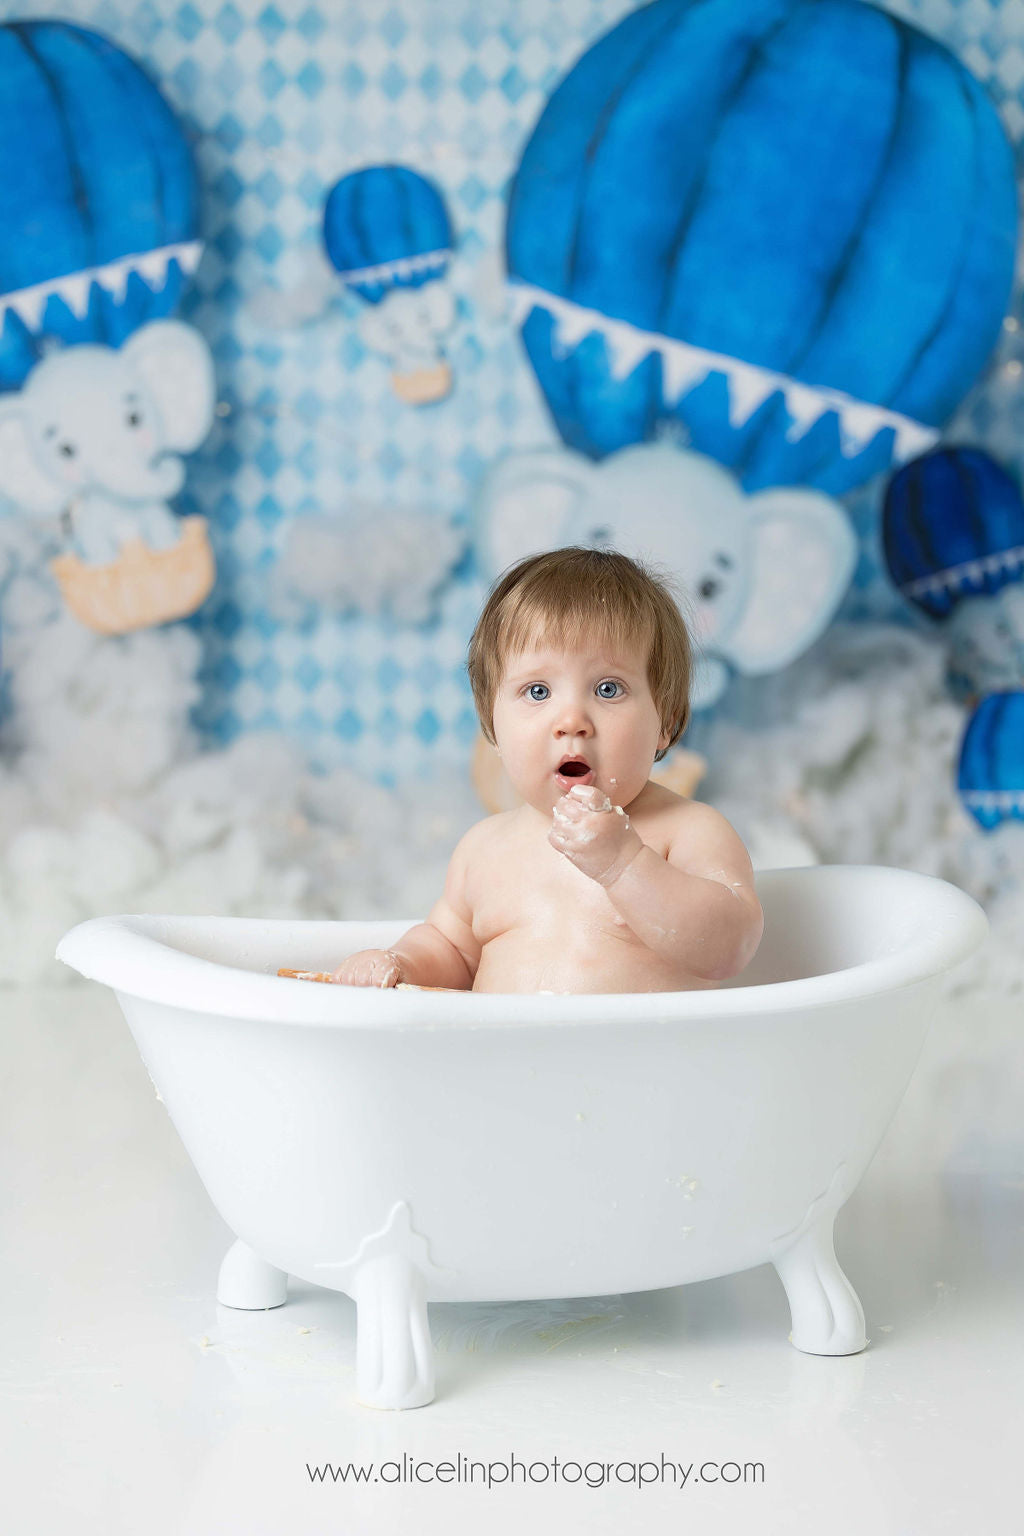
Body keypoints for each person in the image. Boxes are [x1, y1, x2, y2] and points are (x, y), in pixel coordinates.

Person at [333, 547, 763, 993]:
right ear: (492, 726)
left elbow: (729, 946)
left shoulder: (689, 832)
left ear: (666, 723)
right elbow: (451, 952)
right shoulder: (484, 850)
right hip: (503, 1042)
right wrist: (402, 963)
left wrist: (625, 865)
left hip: (631, 1042)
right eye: (538, 691)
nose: (571, 720)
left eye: (608, 688)